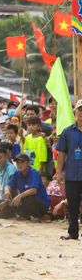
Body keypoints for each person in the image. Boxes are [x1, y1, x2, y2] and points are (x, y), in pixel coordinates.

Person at [55, 100, 82, 240]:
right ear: (75, 113)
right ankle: (73, 232)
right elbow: (61, 154)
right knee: (72, 205)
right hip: (72, 174)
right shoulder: (67, 132)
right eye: (80, 110)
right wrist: (59, 172)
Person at [0, 153, 50, 221]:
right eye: (17, 163)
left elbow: (33, 190)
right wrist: (7, 193)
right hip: (24, 201)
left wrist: (19, 196)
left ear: (28, 163)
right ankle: (25, 215)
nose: (19, 165)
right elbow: (8, 185)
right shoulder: (17, 174)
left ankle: (40, 215)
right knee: (1, 213)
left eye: (22, 162)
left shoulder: (34, 173)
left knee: (27, 198)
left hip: (39, 202)